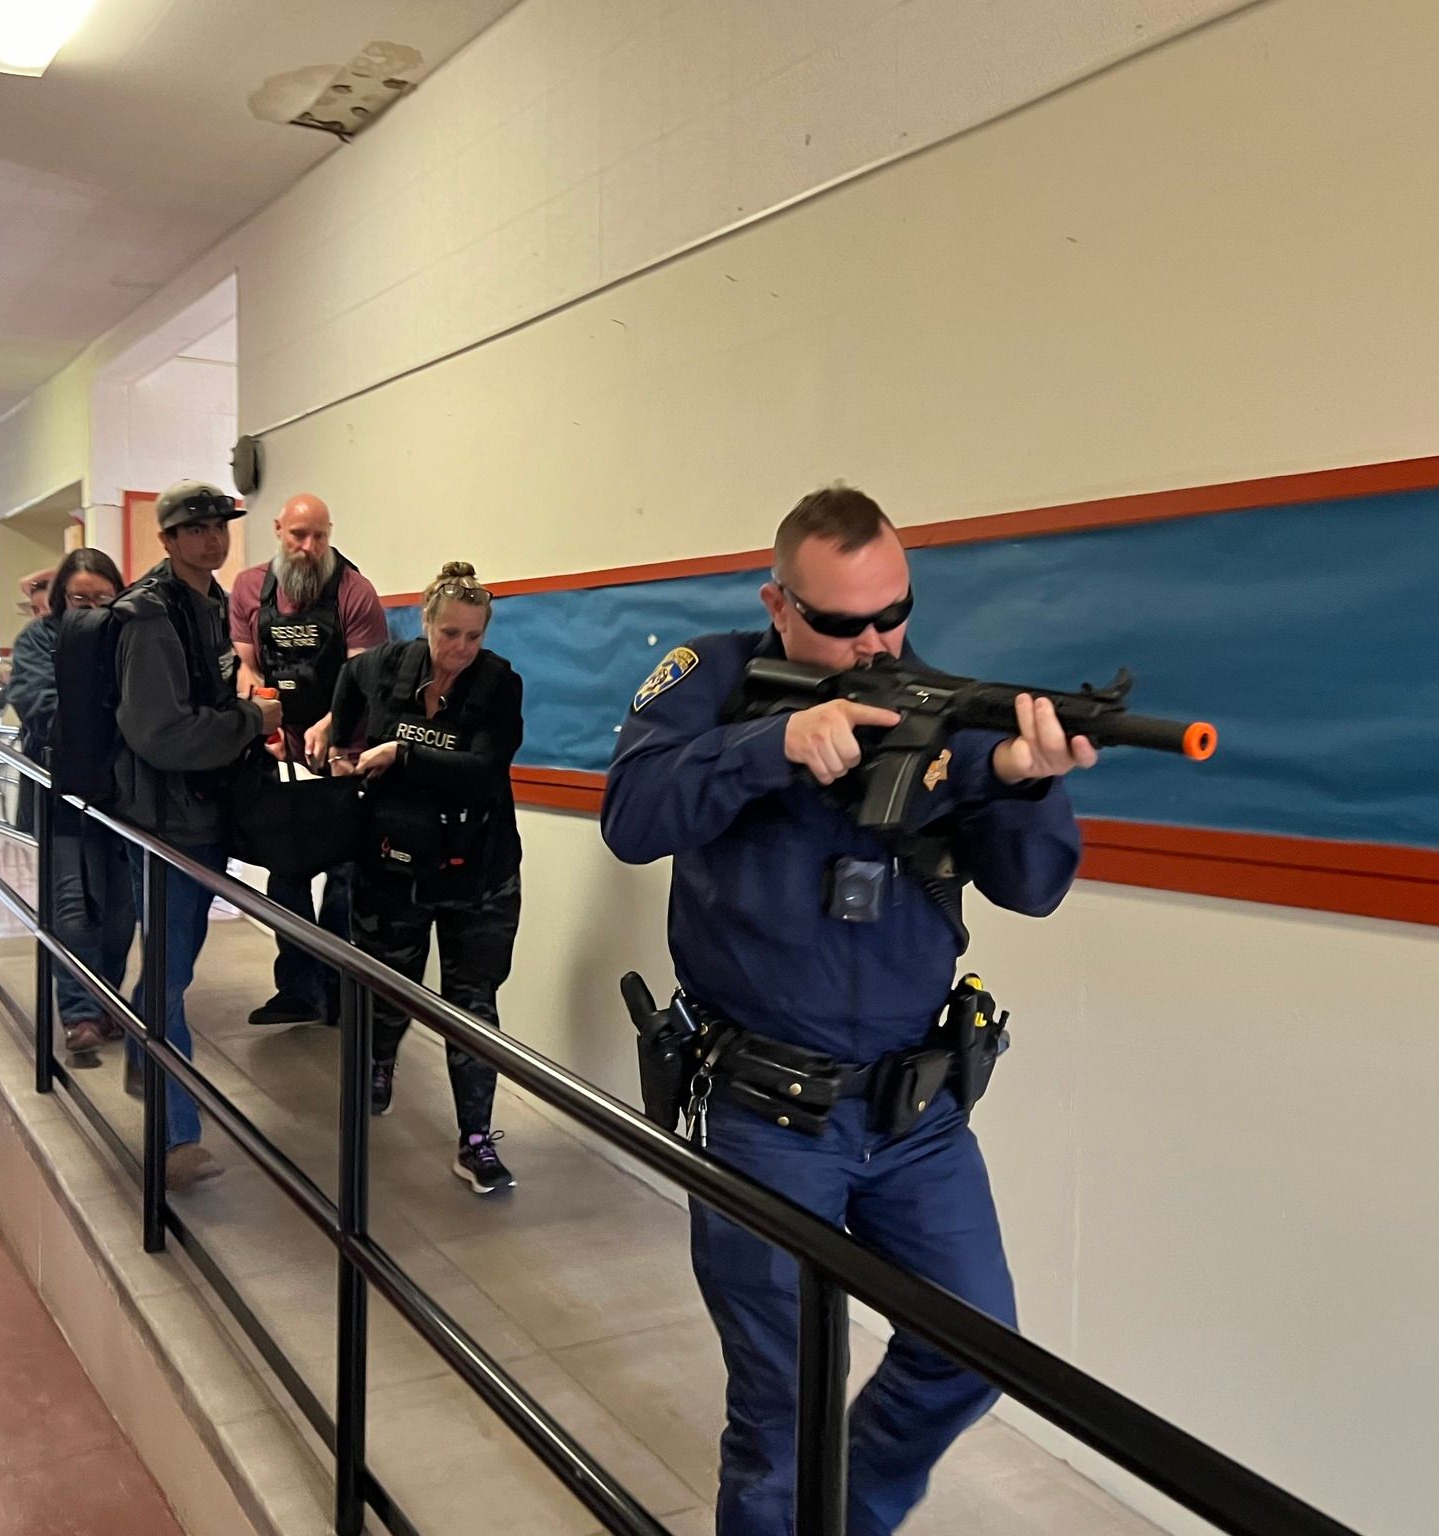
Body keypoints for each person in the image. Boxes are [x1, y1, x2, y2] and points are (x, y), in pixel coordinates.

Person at [600, 485, 1092, 1536]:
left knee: (973, 1349)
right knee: (780, 1412)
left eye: (893, 612)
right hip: (767, 1111)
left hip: (915, 1115)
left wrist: (1021, 781)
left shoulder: (947, 706)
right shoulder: (714, 679)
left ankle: (846, 1518)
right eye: (839, 623)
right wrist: (768, 748)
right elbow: (632, 817)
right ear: (777, 603)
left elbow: (1033, 886)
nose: (874, 642)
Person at [304, 562, 524, 1195]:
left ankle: (476, 1139)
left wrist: (402, 755)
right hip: (391, 867)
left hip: (477, 874)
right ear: (425, 621)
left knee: (472, 1006)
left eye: (473, 637)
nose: (459, 649)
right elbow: (340, 721)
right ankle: (377, 1068)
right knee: (384, 988)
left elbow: (482, 768)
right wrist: (332, 740)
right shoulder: (377, 669)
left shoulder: (498, 684)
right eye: (449, 632)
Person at [113, 481, 283, 1191]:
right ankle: (176, 1133)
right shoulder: (149, 618)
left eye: (220, 526)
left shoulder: (209, 601)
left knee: (171, 970)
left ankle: (141, 1055)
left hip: (200, 814)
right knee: (172, 975)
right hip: (163, 822)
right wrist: (253, 723)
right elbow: (161, 734)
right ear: (168, 540)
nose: (213, 538)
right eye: (197, 528)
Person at [229, 491, 389, 1028]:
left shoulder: (354, 592)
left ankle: (341, 992)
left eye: (320, 535)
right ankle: (297, 989)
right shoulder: (250, 589)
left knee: (345, 878)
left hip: (344, 758)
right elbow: (245, 668)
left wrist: (333, 724)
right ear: (278, 530)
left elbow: (364, 676)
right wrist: (262, 713)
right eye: (299, 535)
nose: (309, 546)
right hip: (280, 760)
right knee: (285, 871)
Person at [6, 548, 133, 1060]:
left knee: (122, 911)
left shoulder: (129, 637)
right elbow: (37, 702)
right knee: (75, 908)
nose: (91, 607)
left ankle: (106, 1003)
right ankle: (79, 1013)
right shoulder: (38, 638)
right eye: (79, 597)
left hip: (124, 792)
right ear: (60, 598)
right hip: (63, 791)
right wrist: (110, 720)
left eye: (103, 597)